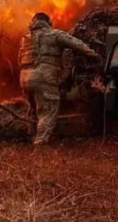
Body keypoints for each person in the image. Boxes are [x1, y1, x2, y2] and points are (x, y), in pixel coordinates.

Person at [18, 12, 99, 145]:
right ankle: (40, 144)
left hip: (24, 77)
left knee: (33, 109)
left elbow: (19, 60)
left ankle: (31, 135)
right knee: (48, 111)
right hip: (44, 77)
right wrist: (92, 54)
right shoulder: (54, 34)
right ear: (48, 22)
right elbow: (76, 43)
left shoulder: (25, 38)